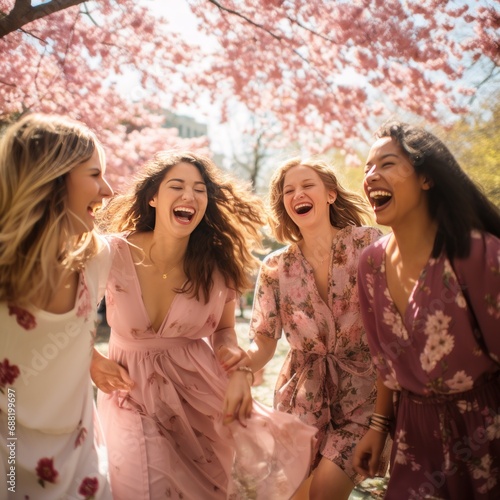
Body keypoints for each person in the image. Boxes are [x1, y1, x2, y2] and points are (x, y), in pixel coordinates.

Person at [90, 151, 317, 499]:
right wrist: (92, 360)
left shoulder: (217, 265)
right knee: (142, 486)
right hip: (128, 392)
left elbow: (224, 332)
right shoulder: (112, 252)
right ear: (153, 197)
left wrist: (234, 361)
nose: (189, 196)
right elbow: (69, 315)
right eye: (177, 186)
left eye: (199, 189)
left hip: (197, 398)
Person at [352, 121, 500, 499]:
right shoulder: (369, 264)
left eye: (386, 164)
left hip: (484, 432)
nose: (370, 176)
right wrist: (378, 427)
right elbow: (385, 363)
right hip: (413, 436)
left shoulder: (478, 254)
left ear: (426, 179)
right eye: (367, 168)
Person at [244, 157, 386, 500]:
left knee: (323, 491)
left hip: (365, 395)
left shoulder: (369, 243)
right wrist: (233, 369)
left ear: (331, 195)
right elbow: (263, 342)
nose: (297, 195)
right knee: (291, 495)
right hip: (302, 401)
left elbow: (391, 330)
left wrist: (384, 420)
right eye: (288, 191)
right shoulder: (275, 267)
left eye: (307, 185)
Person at [0, 113, 114, 498]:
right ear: (52, 176)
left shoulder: (97, 259)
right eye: (95, 175)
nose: (108, 190)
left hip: (81, 469)